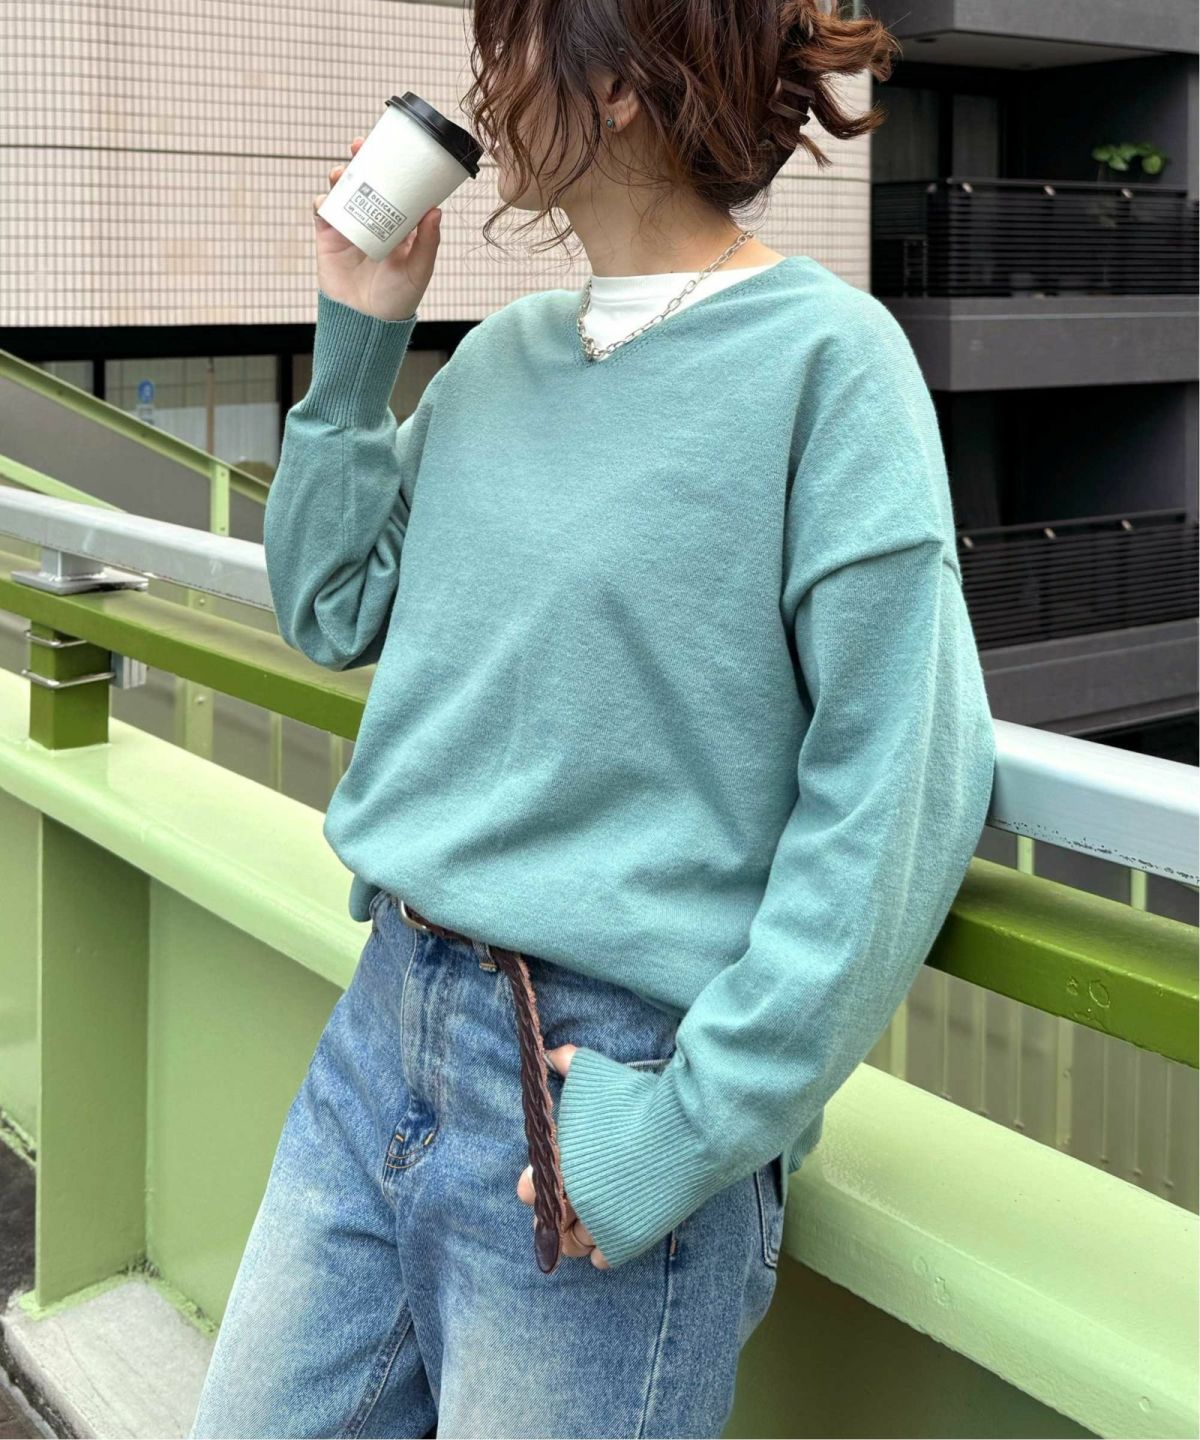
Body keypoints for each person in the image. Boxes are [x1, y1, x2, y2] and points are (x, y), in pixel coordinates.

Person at [188, 0, 996, 1435]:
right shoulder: (501, 360)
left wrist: (691, 1125)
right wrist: (357, 339)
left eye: (512, 42)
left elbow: (905, 788)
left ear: (615, 82)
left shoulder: (832, 365)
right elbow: (328, 605)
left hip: (606, 1092)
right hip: (384, 1029)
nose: (487, 80)